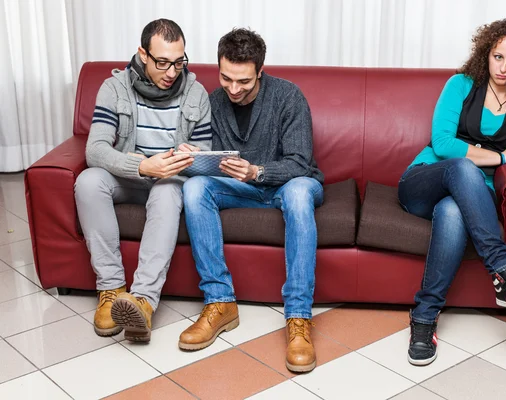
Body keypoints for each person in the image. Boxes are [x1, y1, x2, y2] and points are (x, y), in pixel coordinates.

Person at [397, 19, 506, 366]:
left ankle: (424, 317)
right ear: (486, 53)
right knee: (463, 167)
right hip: (424, 181)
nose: (503, 67)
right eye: (497, 56)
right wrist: (499, 156)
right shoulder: (461, 84)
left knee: (454, 212)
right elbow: (443, 144)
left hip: (468, 199)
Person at [178, 28, 324, 373]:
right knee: (194, 188)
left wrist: (257, 171)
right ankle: (220, 302)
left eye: (243, 81)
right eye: (226, 78)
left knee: (300, 192)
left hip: (289, 185)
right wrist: (192, 156)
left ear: (260, 70)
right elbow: (208, 161)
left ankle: (299, 318)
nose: (233, 88)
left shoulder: (289, 96)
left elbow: (300, 163)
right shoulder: (212, 102)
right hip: (240, 188)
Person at [74, 19, 212, 342]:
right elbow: (95, 150)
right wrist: (143, 166)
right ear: (143, 54)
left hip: (167, 181)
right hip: (130, 175)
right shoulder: (114, 88)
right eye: (162, 62)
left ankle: (143, 302)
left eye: (179, 62)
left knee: (167, 193)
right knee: (88, 181)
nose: (171, 72)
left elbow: (206, 153)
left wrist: (193, 154)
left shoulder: (197, 93)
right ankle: (110, 289)